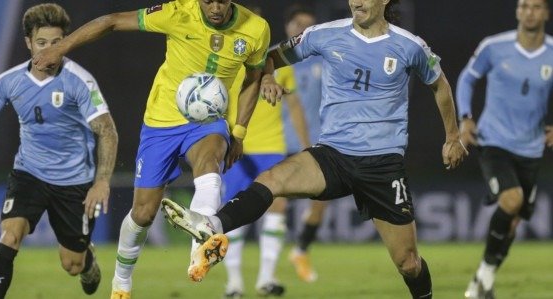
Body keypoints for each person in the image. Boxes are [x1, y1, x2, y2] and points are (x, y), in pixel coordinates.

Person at [161, 0, 468, 298]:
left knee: (409, 263)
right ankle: (211, 226)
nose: (356, 3)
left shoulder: (409, 45)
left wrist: (452, 136)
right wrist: (268, 76)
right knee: (272, 180)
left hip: (383, 164)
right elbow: (269, 56)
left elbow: (439, 84)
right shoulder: (324, 34)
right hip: (333, 154)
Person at [32, 1, 270, 298]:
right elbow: (112, 21)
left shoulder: (256, 29)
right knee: (143, 213)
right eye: (208, 1)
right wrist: (59, 48)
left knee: (209, 161)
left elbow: (254, 76)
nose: (215, 7)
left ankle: (201, 247)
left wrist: (238, 132)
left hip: (209, 121)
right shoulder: (177, 12)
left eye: (221, 0)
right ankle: (121, 282)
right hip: (162, 123)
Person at [0, 3, 118, 298]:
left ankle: (87, 260)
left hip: (74, 182)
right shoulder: (10, 81)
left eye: (57, 42)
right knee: (9, 237)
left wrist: (101, 181)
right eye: (42, 42)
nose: (49, 49)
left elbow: (106, 130)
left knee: (72, 265)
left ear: (66, 42)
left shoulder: (79, 81)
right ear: (28, 43)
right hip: (29, 174)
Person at [457, 0, 553, 298]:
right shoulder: (494, 47)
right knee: (511, 200)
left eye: (536, 7)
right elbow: (466, 79)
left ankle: (483, 278)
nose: (529, 12)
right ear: (517, 11)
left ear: (546, 13)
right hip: (493, 141)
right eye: (524, 6)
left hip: (532, 148)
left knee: (511, 224)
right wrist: (465, 117)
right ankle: (484, 278)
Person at [221, 49, 309, 298]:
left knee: (278, 207)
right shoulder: (228, 64)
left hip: (272, 147)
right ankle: (234, 283)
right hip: (238, 148)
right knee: (233, 211)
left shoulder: (281, 68)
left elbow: (295, 107)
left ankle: (266, 278)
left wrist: (306, 147)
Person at [278, 4, 325, 283]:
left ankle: (300, 251)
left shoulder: (322, 60)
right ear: (287, 27)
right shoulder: (275, 60)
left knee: (322, 202)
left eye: (309, 26)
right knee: (277, 203)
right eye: (298, 25)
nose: (303, 31)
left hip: (318, 142)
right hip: (279, 141)